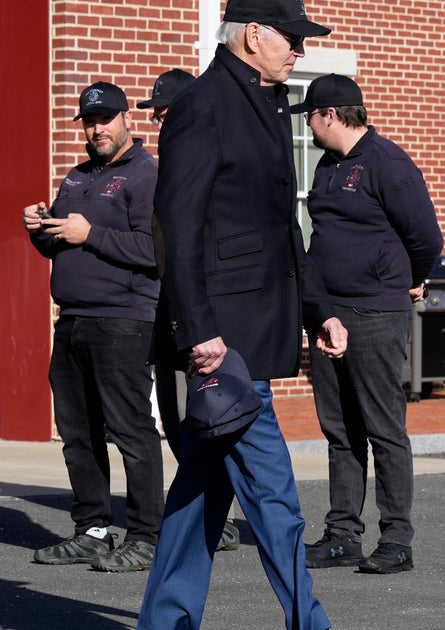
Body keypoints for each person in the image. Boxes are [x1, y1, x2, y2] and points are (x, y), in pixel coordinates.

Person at [137, 1, 345, 628]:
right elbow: (177, 226)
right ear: (254, 34)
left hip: (256, 326)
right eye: (292, 39)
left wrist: (319, 311)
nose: (299, 51)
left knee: (199, 494)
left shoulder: (268, 103)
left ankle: (162, 622)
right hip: (226, 343)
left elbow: (283, 229)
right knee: (276, 497)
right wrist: (198, 332)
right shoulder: (202, 106)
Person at [295, 73, 444, 573]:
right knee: (339, 429)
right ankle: (342, 534)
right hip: (328, 313)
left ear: (330, 115)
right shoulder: (327, 166)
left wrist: (411, 278)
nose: (309, 127)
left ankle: (397, 540)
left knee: (383, 428)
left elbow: (425, 236)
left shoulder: (389, 164)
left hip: (377, 312)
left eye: (311, 117)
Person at [21, 81, 163, 573]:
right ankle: (94, 529)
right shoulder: (76, 177)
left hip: (125, 320)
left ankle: (147, 536)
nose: (97, 128)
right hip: (74, 319)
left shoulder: (146, 176)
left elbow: (156, 252)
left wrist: (91, 233)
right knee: (77, 432)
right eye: (89, 121)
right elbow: (62, 246)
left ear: (127, 119)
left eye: (105, 119)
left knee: (130, 431)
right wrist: (40, 228)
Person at [140, 67, 244, 552]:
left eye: (164, 112)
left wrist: (193, 322)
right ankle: (203, 517)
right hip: (167, 314)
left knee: (198, 424)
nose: (161, 122)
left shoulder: (195, 164)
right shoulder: (171, 165)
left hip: (195, 320)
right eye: (157, 115)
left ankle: (211, 519)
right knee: (178, 423)